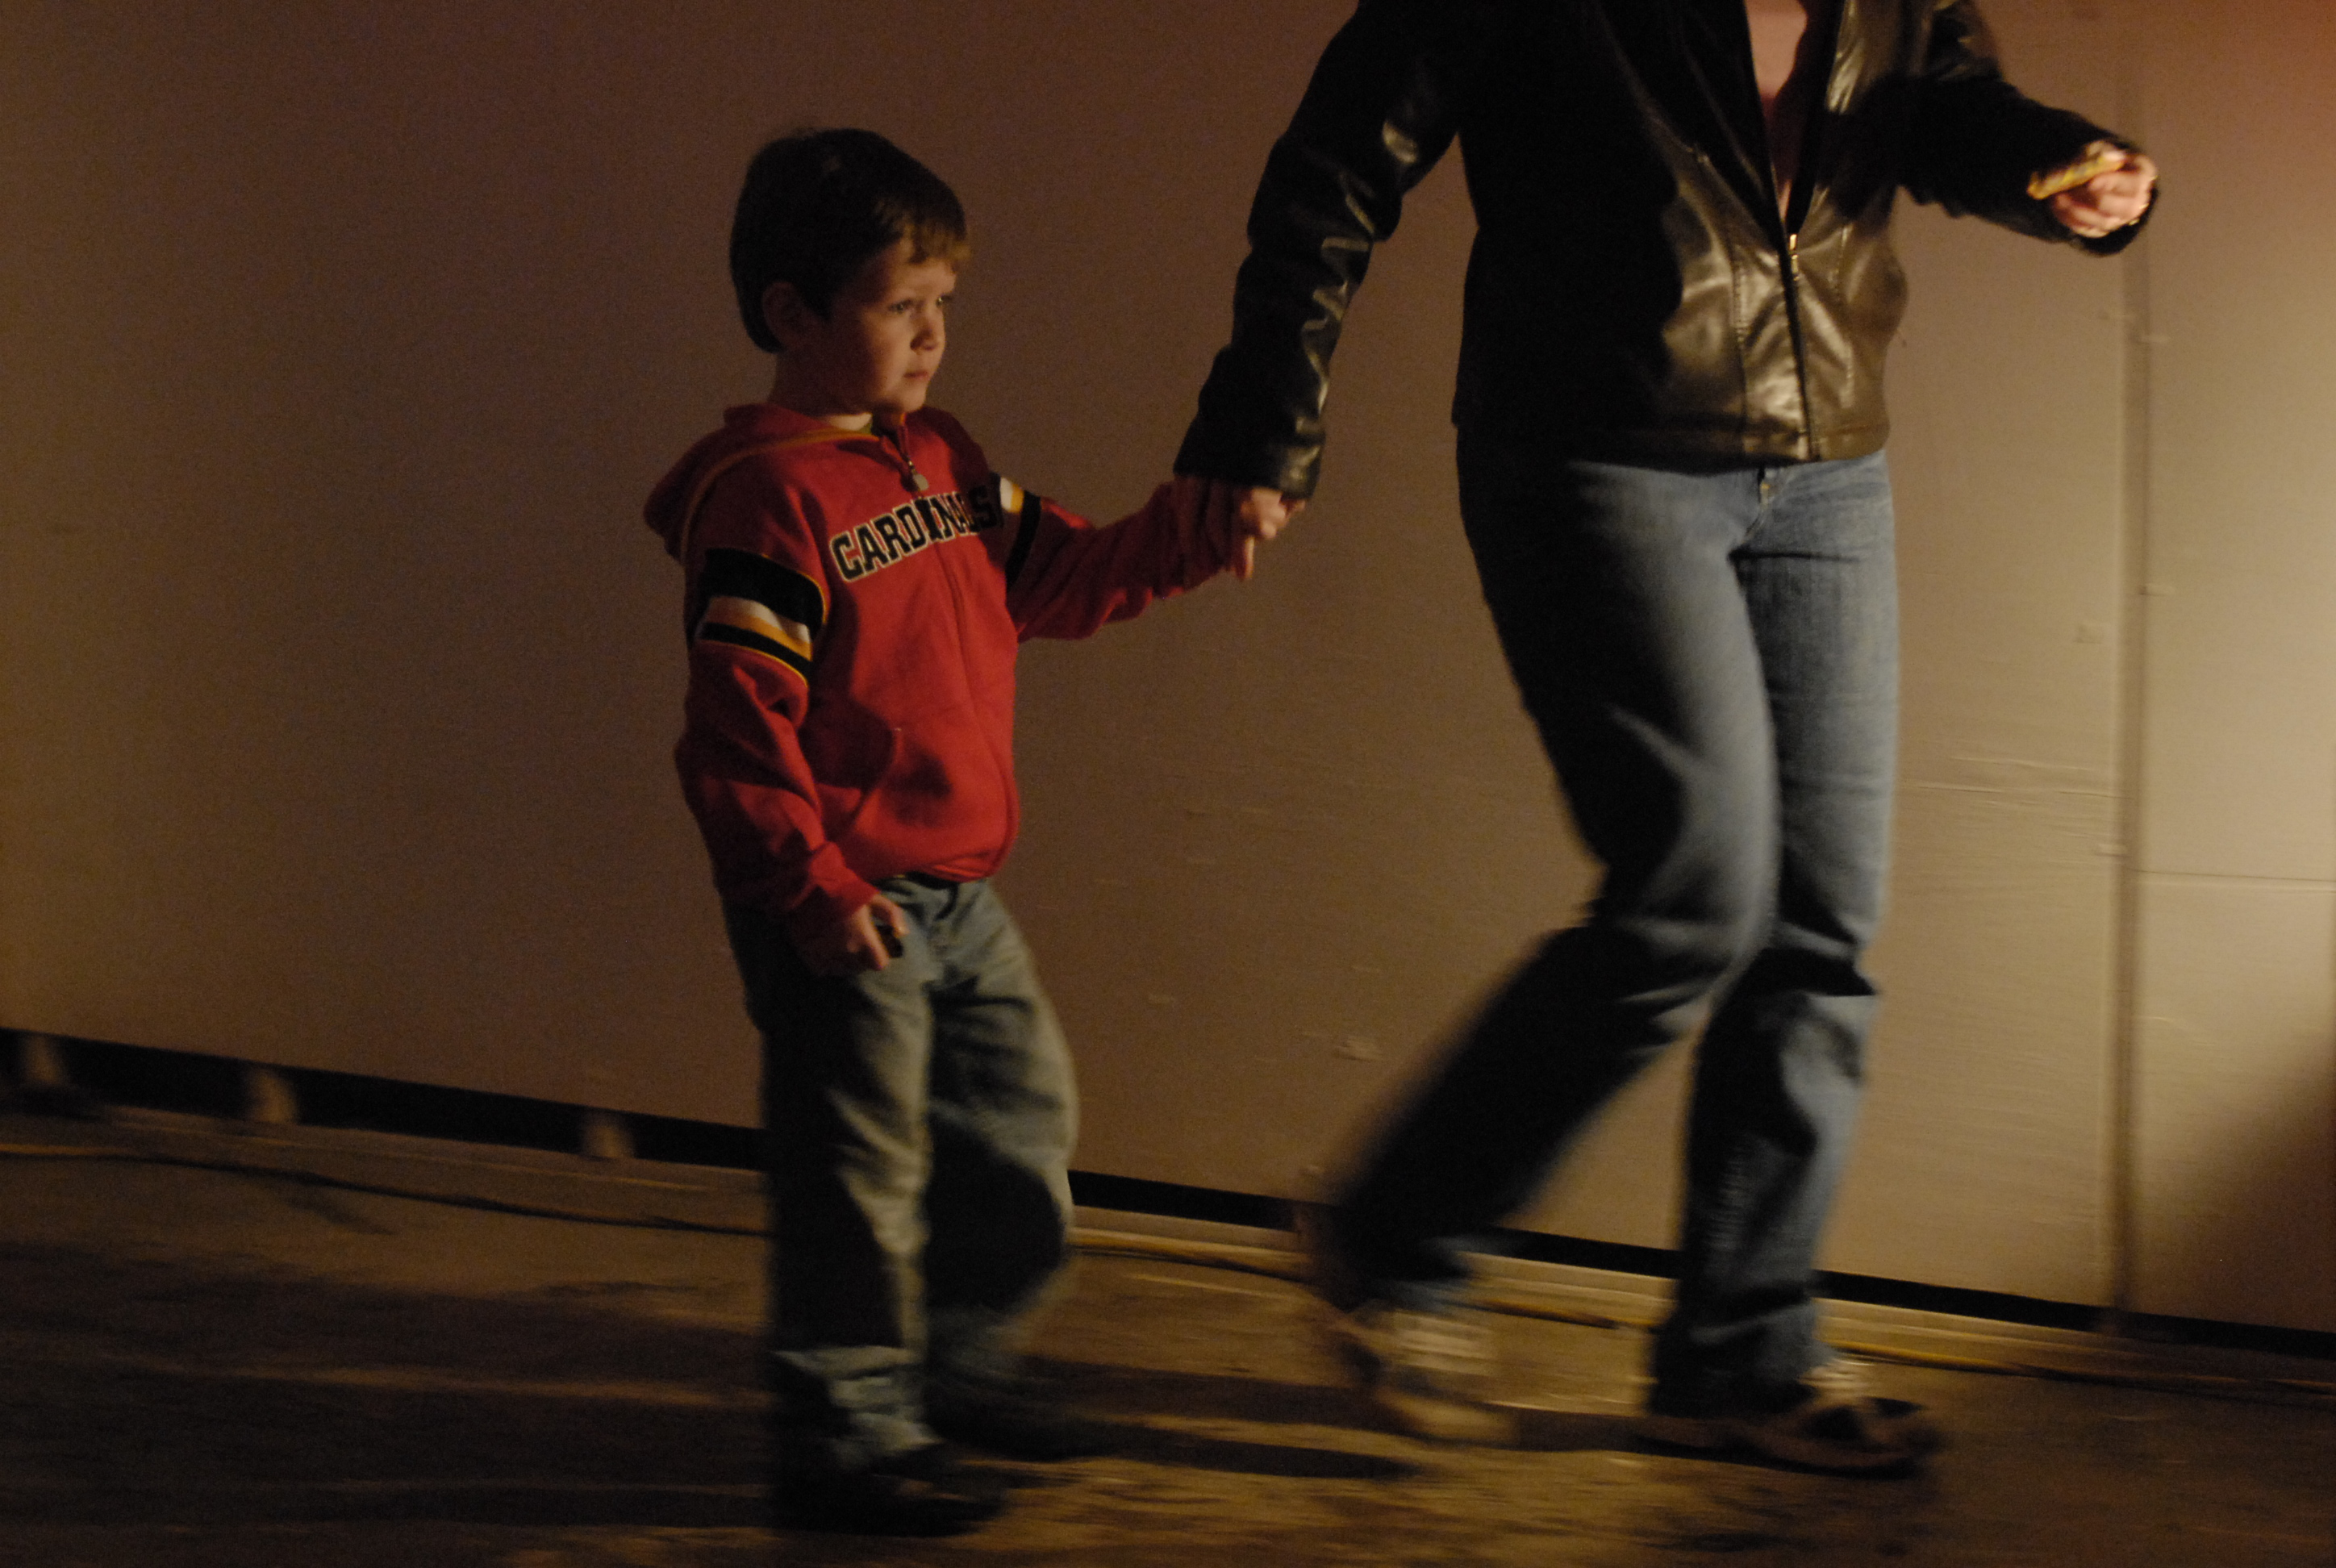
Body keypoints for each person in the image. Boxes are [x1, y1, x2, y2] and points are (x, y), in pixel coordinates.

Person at [1176, 0, 2156, 1472]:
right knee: (1694, 891)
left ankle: (1741, 1356)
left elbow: (1935, 103)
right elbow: (1337, 164)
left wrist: (2057, 163)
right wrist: (1264, 416)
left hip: (1825, 463)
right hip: (1597, 445)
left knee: (1821, 924)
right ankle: (1397, 1237)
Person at [645, 128, 1235, 1535]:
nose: (931, 335)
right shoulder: (768, 504)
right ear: (793, 314)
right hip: (842, 901)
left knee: (1018, 1119)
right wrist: (809, 887)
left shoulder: (940, 461)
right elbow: (735, 729)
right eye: (900, 304)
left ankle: (957, 1367)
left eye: (944, 304)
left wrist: (1195, 531)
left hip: (959, 891)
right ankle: (844, 1437)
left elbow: (1062, 574)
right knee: (856, 1170)